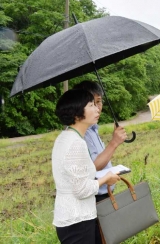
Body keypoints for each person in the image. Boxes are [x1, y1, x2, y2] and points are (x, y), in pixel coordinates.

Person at [52, 89, 120, 244]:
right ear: (77, 114)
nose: (97, 109)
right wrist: (106, 179)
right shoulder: (76, 144)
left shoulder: (66, 137)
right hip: (78, 222)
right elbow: (81, 190)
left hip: (71, 219)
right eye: (91, 105)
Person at [73, 81, 127, 244]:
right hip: (93, 198)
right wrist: (114, 143)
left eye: (100, 101)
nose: (98, 107)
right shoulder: (81, 134)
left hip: (103, 194)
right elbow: (92, 167)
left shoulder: (93, 129)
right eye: (93, 103)